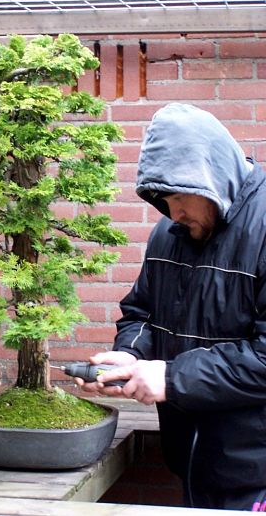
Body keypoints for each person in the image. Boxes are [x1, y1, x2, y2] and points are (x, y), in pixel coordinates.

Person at [76, 103, 266, 511]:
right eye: (164, 198)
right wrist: (129, 357)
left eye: (180, 196)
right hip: (192, 459)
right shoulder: (170, 232)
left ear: (212, 176)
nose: (173, 212)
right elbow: (141, 313)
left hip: (256, 471)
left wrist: (171, 377)